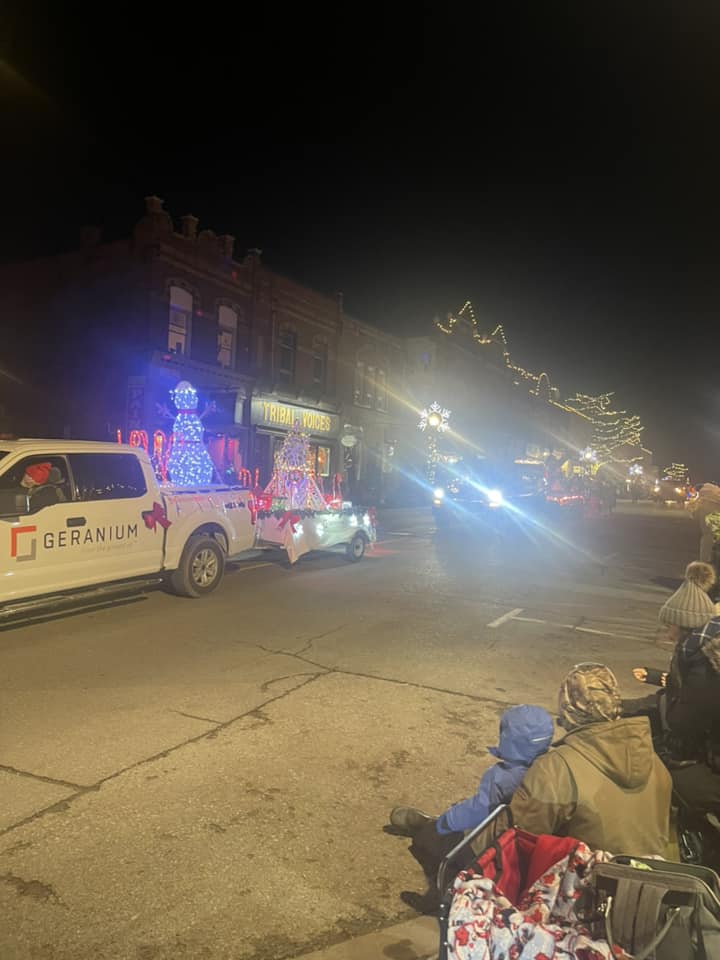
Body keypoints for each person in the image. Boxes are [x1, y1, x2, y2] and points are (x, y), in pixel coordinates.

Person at [387, 704, 554, 909]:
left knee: (431, 842)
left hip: (491, 842)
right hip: (525, 843)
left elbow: (478, 810)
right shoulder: (549, 772)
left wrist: (446, 822)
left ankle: (438, 900)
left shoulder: (502, 777)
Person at [510, 663, 672, 855]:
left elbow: (520, 841)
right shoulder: (653, 761)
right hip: (649, 871)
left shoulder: (555, 768)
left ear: (567, 709)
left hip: (587, 872)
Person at [629, 561, 717, 738]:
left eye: (670, 627)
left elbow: (681, 721)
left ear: (686, 626)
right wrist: (656, 677)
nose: (669, 636)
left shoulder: (704, 664)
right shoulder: (699, 650)